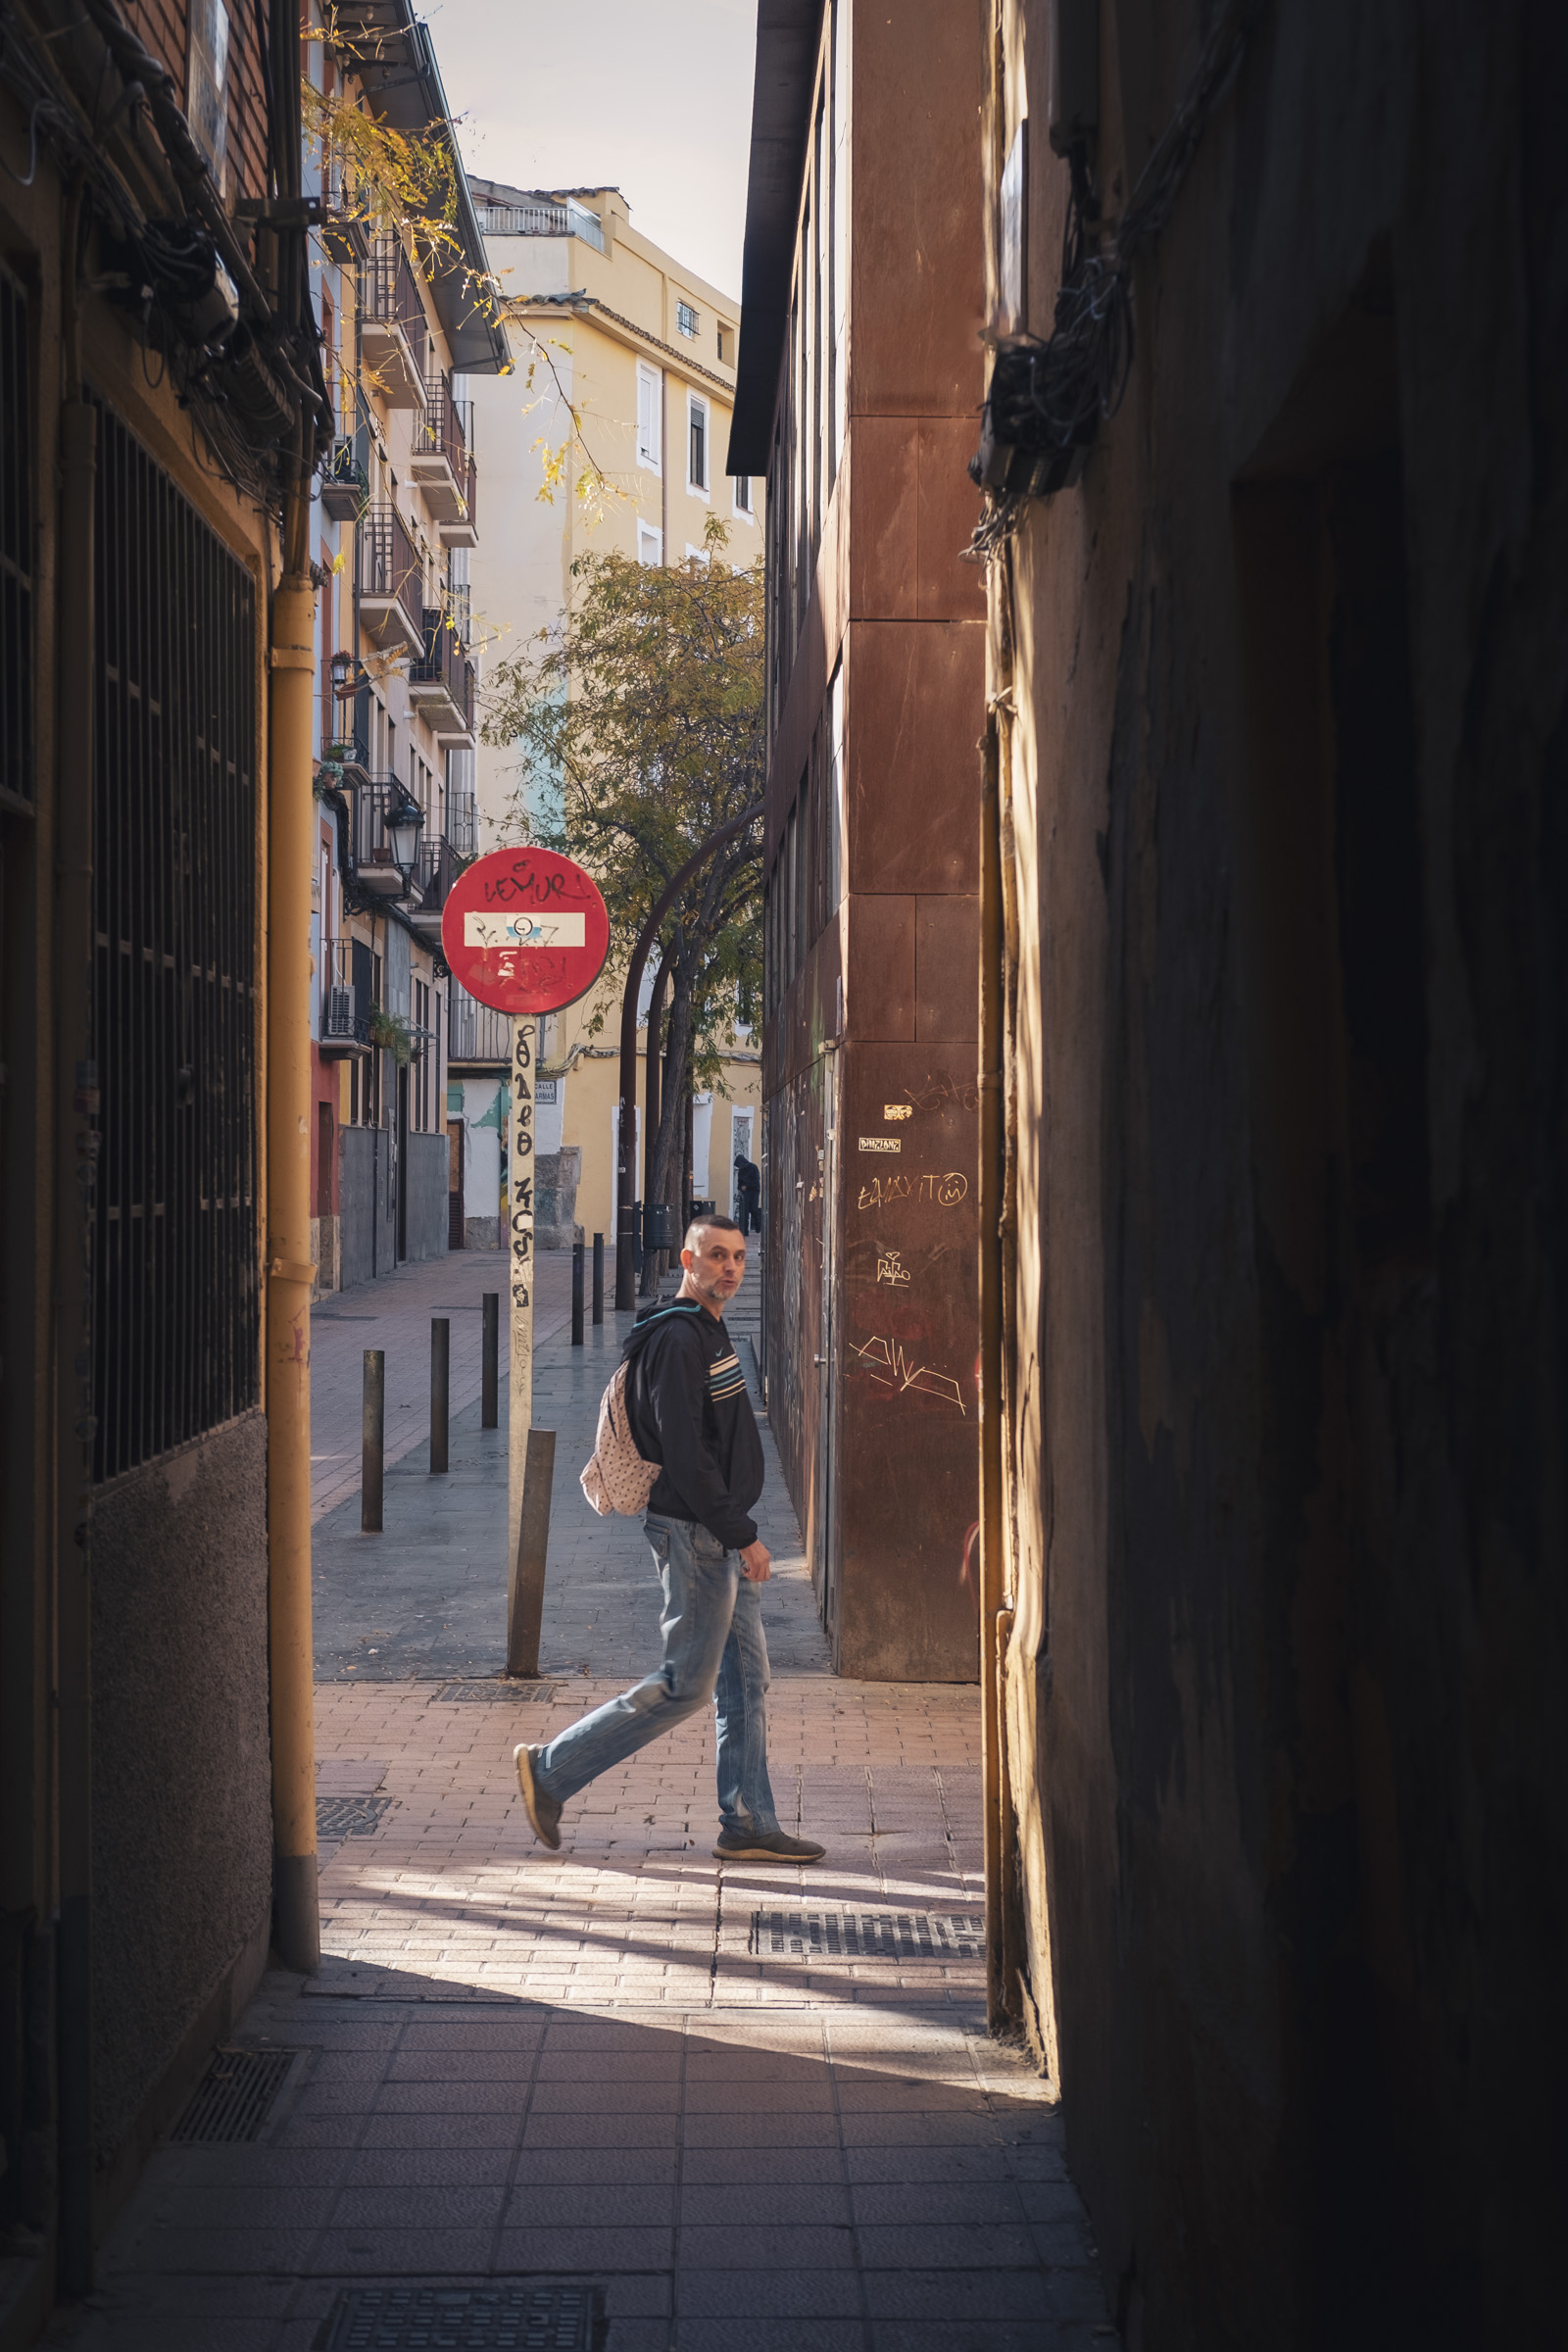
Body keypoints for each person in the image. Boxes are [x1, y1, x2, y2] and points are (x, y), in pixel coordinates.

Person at [514, 1214, 824, 1864]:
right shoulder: (680, 1340)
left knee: (746, 1680)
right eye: (715, 1256)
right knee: (687, 1684)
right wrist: (742, 1533)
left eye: (737, 1257)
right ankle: (550, 1769)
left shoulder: (707, 1330)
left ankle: (747, 1819)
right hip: (697, 1533)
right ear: (688, 1258)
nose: (729, 1269)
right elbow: (685, 1452)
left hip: (715, 1531)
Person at [733, 1151, 760, 1235]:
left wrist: (747, 1186)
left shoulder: (753, 1167)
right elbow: (739, 1182)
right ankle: (744, 1231)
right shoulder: (741, 1171)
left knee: (753, 1209)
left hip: (754, 1191)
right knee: (744, 1211)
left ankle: (758, 1226)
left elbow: (756, 1180)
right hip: (745, 1193)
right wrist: (739, 1189)